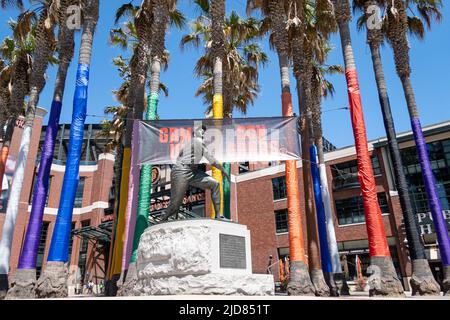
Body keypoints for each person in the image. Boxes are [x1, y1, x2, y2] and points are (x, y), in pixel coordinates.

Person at [161, 125, 231, 221]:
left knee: (215, 184)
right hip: (182, 170)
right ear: (195, 132)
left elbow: (180, 156)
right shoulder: (197, 141)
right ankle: (164, 217)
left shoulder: (192, 143)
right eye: (200, 130)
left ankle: (219, 215)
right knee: (176, 202)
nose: (202, 132)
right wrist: (223, 170)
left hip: (193, 172)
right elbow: (211, 159)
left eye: (203, 131)